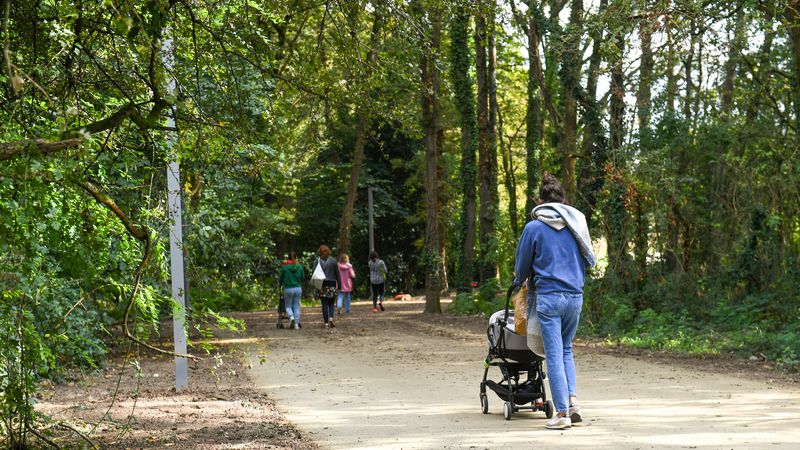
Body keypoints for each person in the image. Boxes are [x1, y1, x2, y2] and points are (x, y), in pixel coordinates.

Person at [513, 173, 597, 430]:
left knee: (553, 356)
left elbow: (522, 266)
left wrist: (521, 280)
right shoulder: (577, 224)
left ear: (540, 201)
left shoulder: (534, 227)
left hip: (549, 297)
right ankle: (572, 403)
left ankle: (561, 415)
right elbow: (586, 258)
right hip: (575, 296)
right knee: (566, 349)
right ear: (563, 200)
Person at [313, 244, 340, 328]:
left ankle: (326, 323)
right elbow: (337, 274)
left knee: (324, 304)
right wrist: (340, 284)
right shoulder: (333, 261)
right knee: (331, 303)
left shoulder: (316, 261)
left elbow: (314, 274)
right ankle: (331, 318)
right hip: (332, 284)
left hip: (322, 284)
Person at [278, 252, 304, 329]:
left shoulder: (284, 268)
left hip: (288, 289)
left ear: (288, 258)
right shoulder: (299, 267)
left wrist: (280, 285)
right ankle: (296, 325)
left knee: (288, 306)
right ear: (296, 258)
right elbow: (302, 277)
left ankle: (291, 317)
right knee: (296, 306)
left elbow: (281, 279)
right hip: (298, 288)